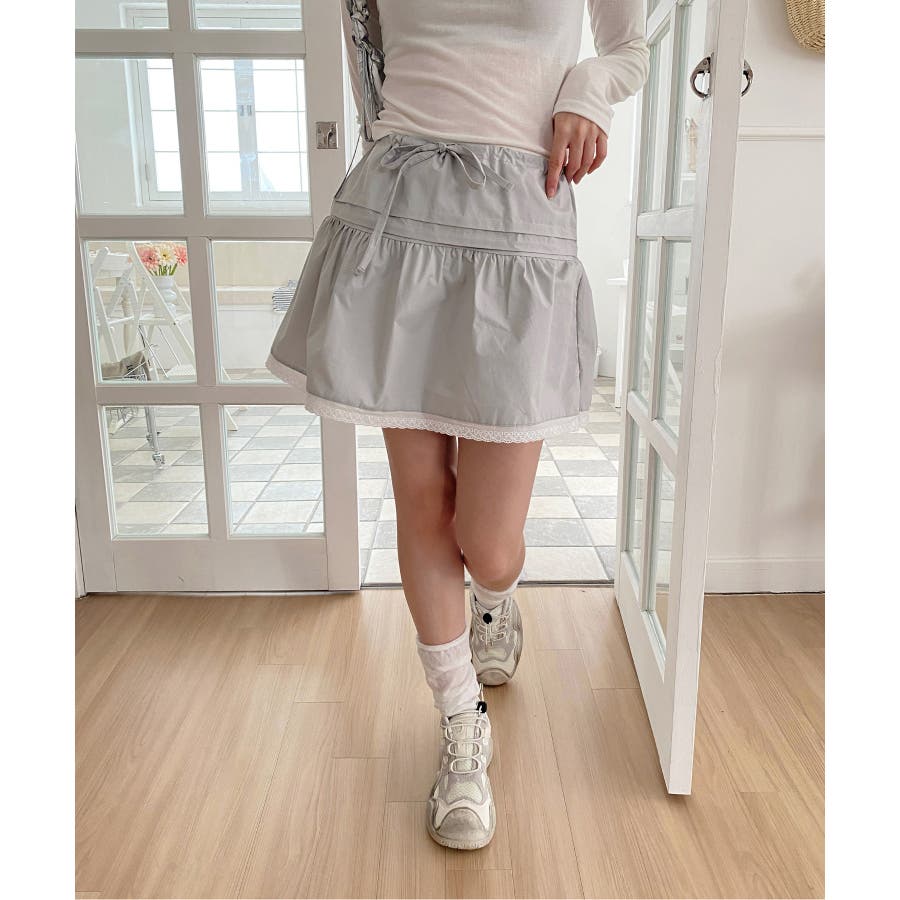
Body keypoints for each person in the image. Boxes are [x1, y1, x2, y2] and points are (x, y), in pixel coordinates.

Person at [267, 0, 649, 850]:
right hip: (400, 213)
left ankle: (497, 601)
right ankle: (460, 722)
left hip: (521, 218)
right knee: (422, 501)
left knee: (489, 539)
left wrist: (588, 86)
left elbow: (630, 46)